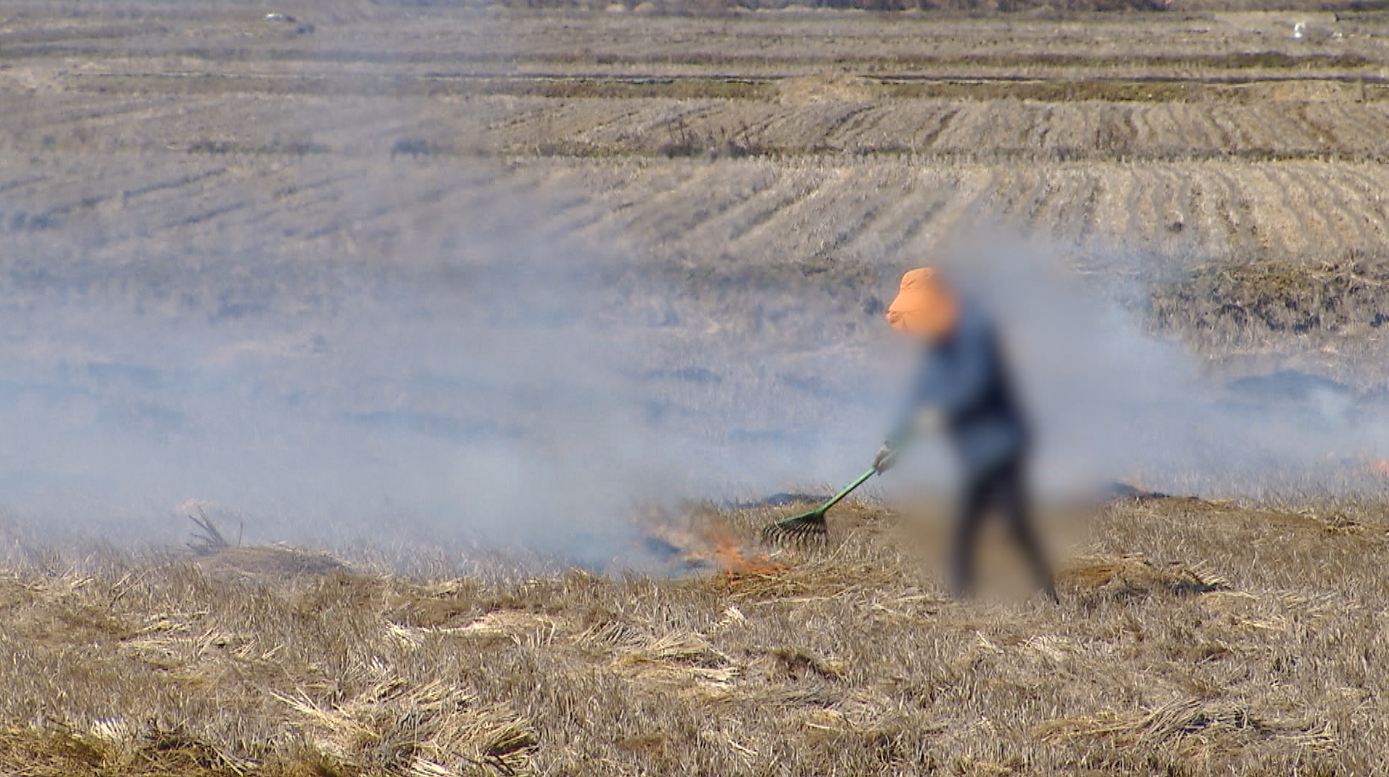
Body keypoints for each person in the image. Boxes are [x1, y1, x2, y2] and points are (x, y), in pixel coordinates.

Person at [872, 267, 1058, 603]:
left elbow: (977, 384)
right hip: (975, 451)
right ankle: (974, 599)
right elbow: (922, 395)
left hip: (1000, 445)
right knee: (981, 526)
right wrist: (893, 441)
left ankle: (1034, 594)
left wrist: (941, 413)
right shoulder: (939, 343)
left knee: (1000, 523)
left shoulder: (975, 329)